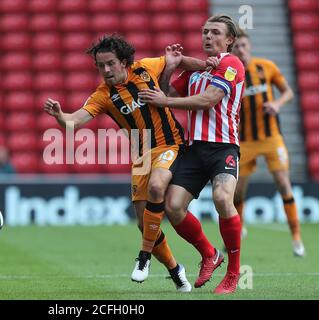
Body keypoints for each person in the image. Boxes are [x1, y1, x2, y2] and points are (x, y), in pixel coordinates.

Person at [44, 35, 217, 292]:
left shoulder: (146, 68)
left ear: (124, 62)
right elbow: (74, 123)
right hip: (141, 156)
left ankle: (144, 256)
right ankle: (174, 269)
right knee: (143, 223)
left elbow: (177, 59)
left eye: (110, 64)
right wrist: (60, 116)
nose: (105, 70)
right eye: (100, 66)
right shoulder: (103, 95)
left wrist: (206, 65)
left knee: (158, 188)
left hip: (170, 145)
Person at [139, 15, 245, 294]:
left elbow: (209, 100)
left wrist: (167, 101)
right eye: (205, 32)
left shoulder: (231, 64)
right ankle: (210, 254)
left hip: (223, 148)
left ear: (229, 40)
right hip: (195, 149)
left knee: (223, 198)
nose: (207, 37)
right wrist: (170, 68)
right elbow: (166, 93)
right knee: (173, 207)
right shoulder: (197, 72)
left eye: (215, 33)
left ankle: (233, 275)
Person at [232, 28, 305, 257]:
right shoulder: (231, 75)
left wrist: (278, 104)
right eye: (236, 47)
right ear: (231, 50)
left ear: (250, 46)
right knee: (237, 192)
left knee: (283, 183)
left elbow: (288, 92)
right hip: (244, 141)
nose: (241, 50)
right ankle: (237, 230)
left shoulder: (267, 67)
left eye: (243, 45)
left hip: (271, 137)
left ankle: (296, 238)